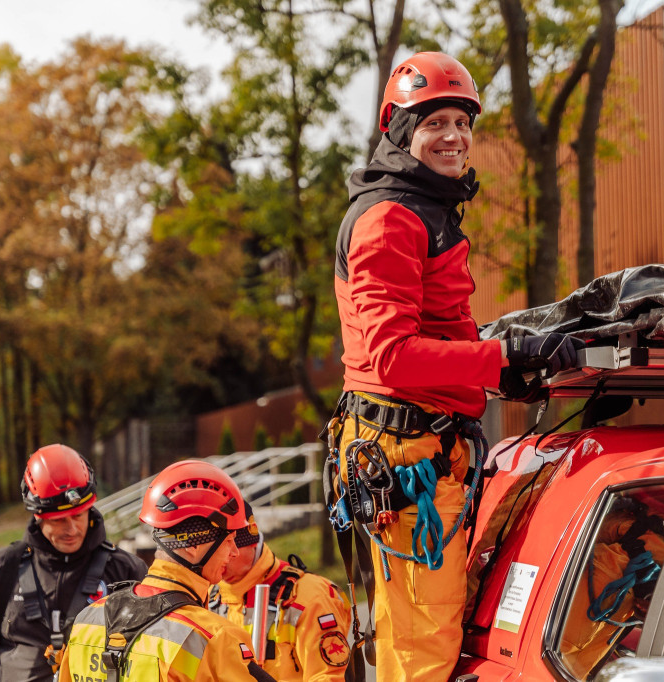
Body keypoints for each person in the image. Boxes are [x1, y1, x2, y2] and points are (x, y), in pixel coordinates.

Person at [326, 51, 582, 680]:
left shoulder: (426, 207)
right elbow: (392, 355)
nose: (454, 137)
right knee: (422, 653)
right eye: (434, 122)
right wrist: (503, 354)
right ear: (398, 129)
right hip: (405, 458)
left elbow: (436, 335)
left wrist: (500, 370)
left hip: (424, 448)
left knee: (432, 634)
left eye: (462, 122)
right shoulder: (391, 218)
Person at [57, 460, 276, 682]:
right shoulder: (216, 638)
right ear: (194, 544)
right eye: (229, 541)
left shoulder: (87, 620)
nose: (235, 552)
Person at [0, 444, 148, 682]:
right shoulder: (0, 570)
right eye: (59, 520)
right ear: (38, 515)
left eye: (79, 515)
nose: (72, 529)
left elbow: (147, 659)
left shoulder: (126, 571)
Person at [210, 502, 352, 681]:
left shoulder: (310, 596)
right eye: (212, 552)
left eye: (228, 547)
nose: (221, 559)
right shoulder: (208, 596)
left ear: (252, 543)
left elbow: (327, 677)